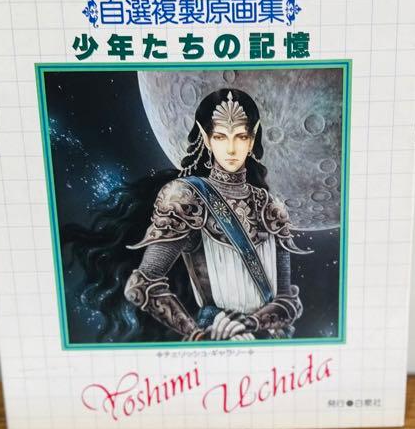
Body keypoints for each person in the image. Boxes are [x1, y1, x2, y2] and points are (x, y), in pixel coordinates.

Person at [63, 88, 306, 343]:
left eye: (241, 136)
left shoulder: (271, 207)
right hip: (217, 337)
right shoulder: (186, 197)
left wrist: (250, 322)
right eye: (220, 137)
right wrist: (198, 335)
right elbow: (142, 284)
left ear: (252, 137)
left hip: (271, 340)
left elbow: (287, 301)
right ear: (206, 138)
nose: (231, 148)